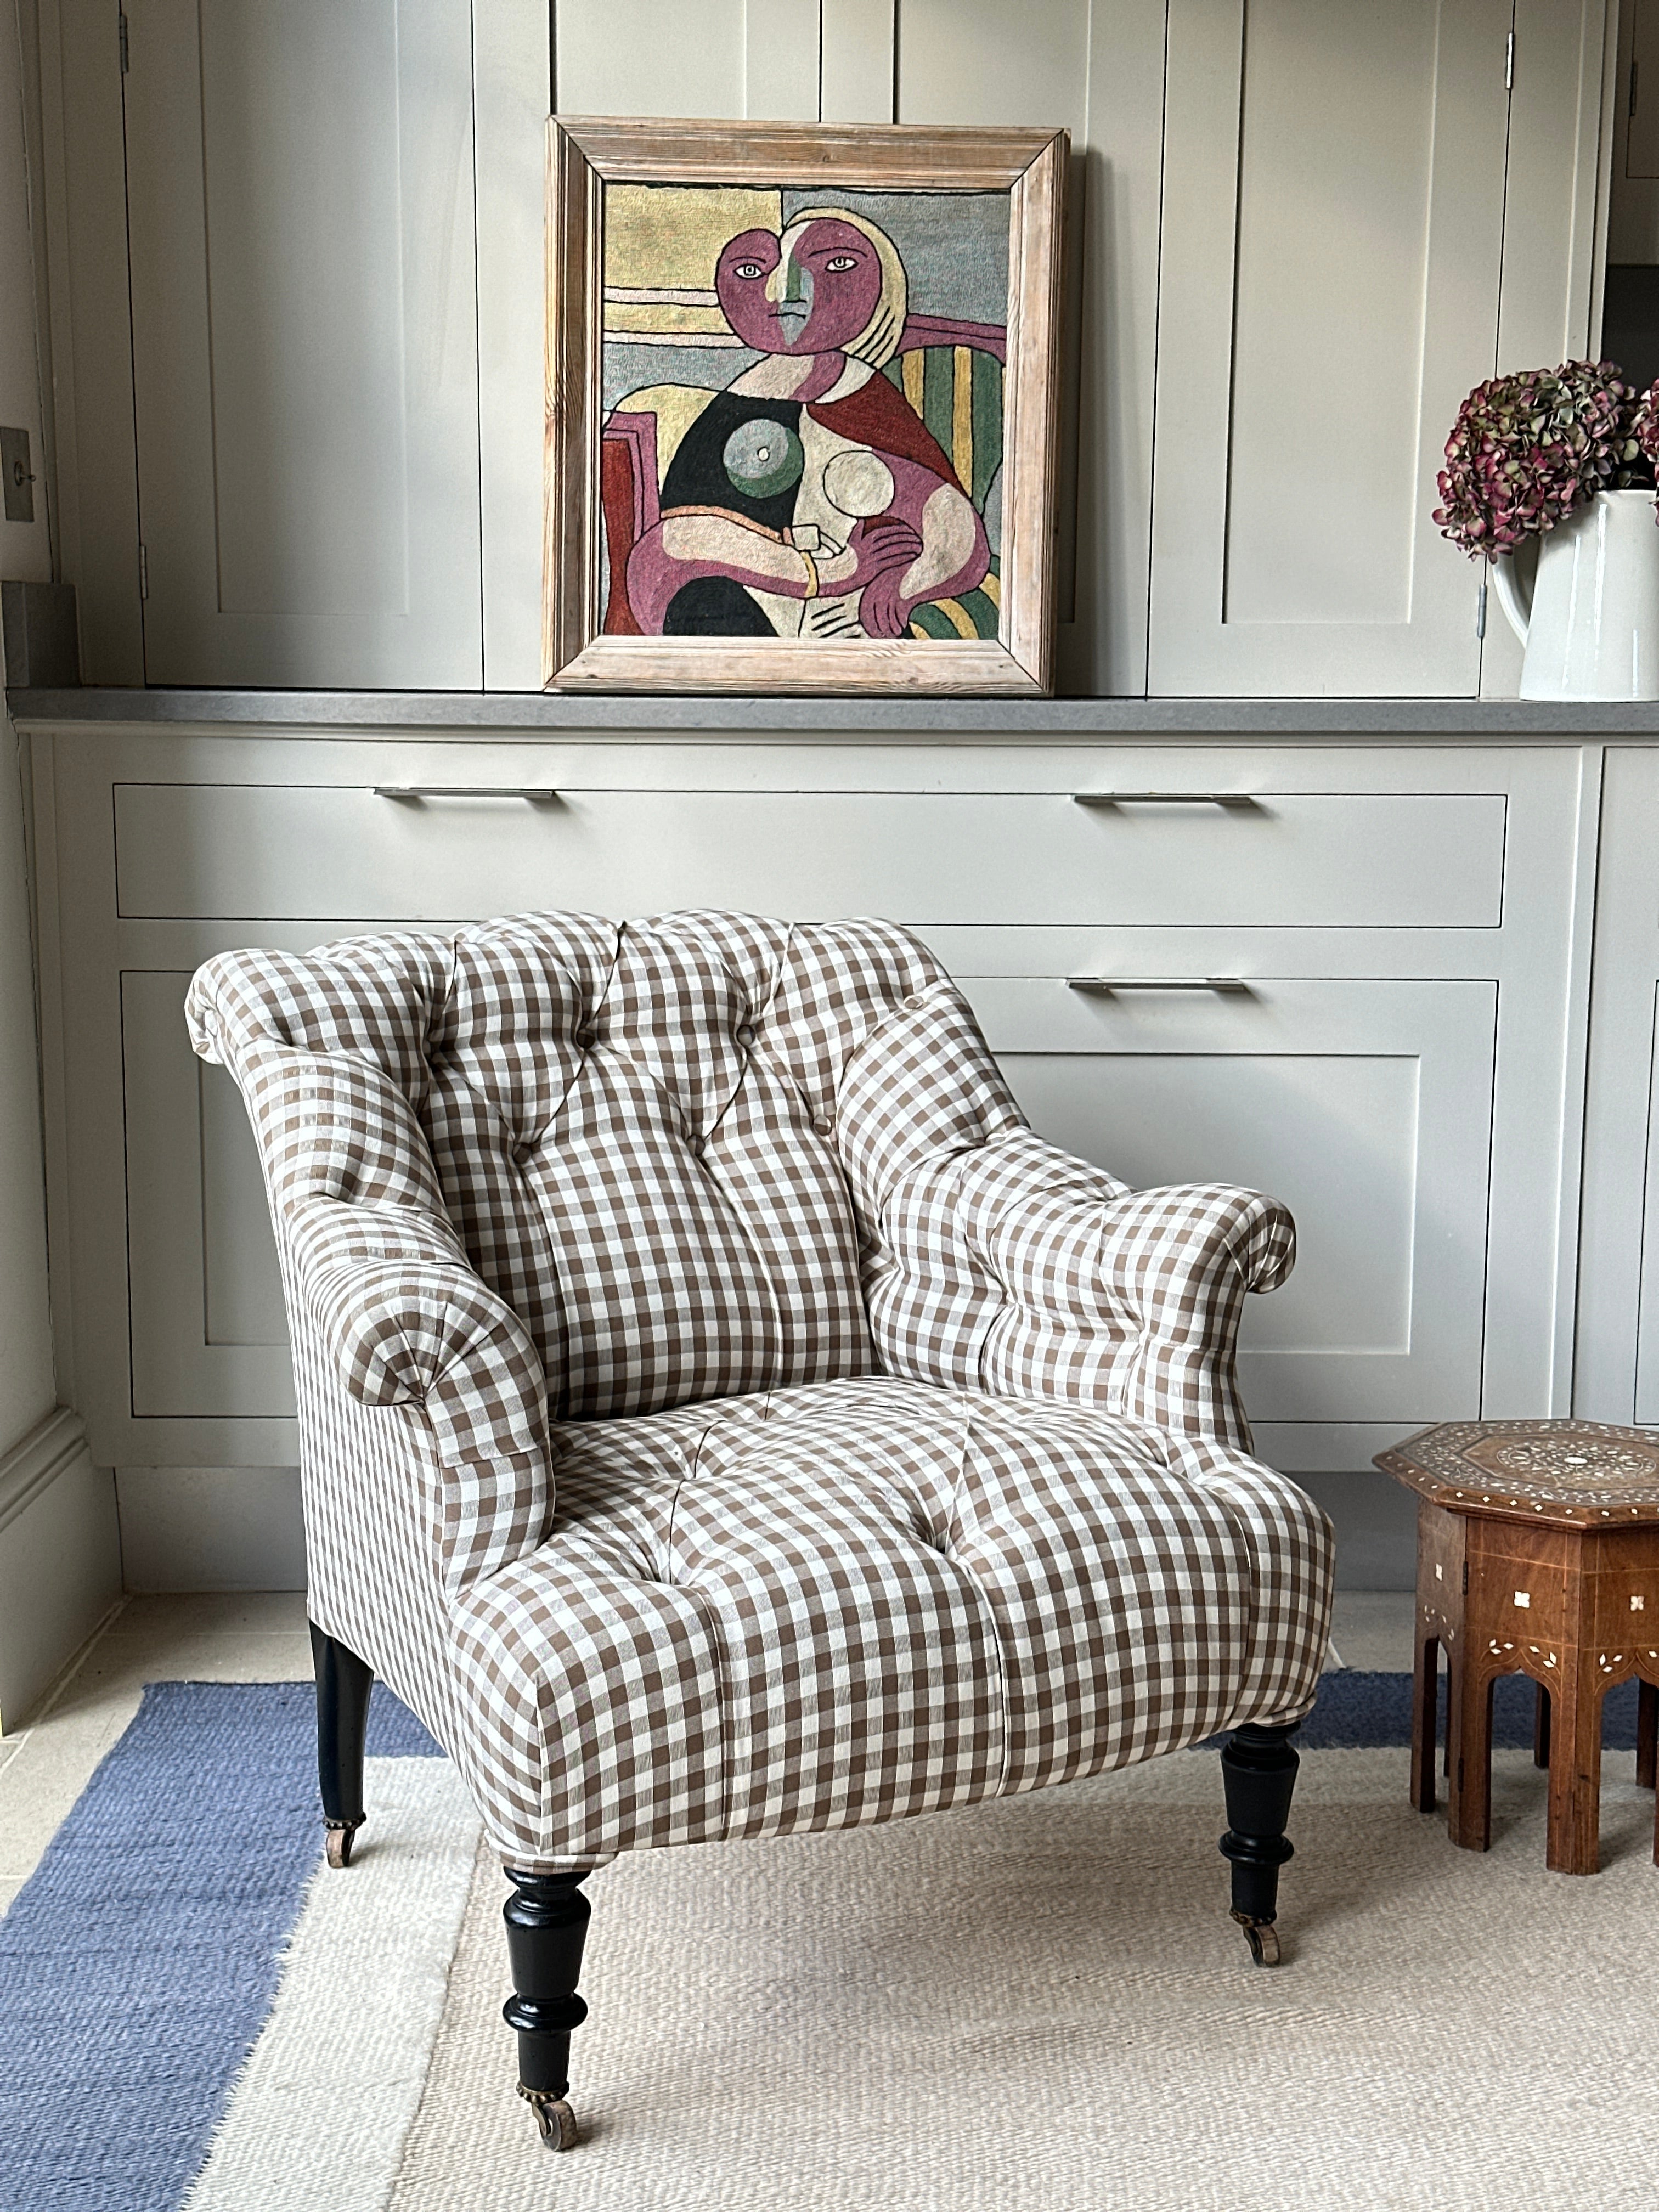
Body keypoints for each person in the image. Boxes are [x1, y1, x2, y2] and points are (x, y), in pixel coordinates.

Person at [622, 208, 990, 640]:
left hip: (846, 622)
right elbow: (675, 545)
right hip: (744, 608)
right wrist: (829, 572)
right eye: (752, 271)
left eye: (835, 265)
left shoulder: (865, 398)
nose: (788, 295)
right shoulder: (740, 401)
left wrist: (905, 587)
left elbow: (953, 528)